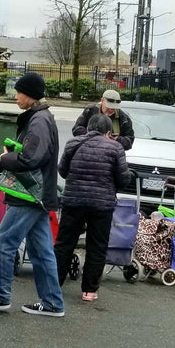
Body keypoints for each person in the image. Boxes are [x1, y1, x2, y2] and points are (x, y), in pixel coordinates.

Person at [0, 72, 66, 317]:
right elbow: (32, 152)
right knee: (41, 251)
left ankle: (0, 296)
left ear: (30, 94)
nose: (16, 97)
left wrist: (5, 159)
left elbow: (31, 157)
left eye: (19, 92)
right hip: (39, 194)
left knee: (2, 243)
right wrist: (10, 155)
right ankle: (53, 303)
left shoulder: (38, 121)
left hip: (29, 193)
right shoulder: (41, 118)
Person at [55, 114, 132, 302]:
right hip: (101, 205)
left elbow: (62, 171)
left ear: (88, 129)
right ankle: (89, 291)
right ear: (108, 132)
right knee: (97, 246)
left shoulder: (73, 144)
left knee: (65, 243)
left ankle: (54, 284)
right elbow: (124, 180)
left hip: (73, 201)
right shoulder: (115, 148)